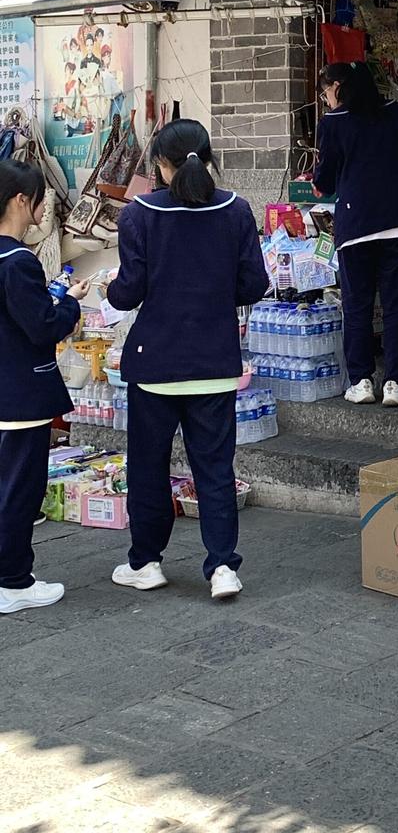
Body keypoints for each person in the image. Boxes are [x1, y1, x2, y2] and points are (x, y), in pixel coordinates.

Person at [106, 119, 269, 600]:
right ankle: (223, 568)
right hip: (214, 365)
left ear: (161, 164)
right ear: (207, 157)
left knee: (148, 468)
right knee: (214, 469)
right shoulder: (236, 210)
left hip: (154, 365)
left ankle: (147, 562)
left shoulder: (139, 214)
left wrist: (110, 289)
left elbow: (127, 291)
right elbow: (254, 285)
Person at [312, 61, 398, 407]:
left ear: (337, 86)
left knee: (357, 305)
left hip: (358, 224)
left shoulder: (334, 122)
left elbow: (324, 179)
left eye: (326, 92)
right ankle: (395, 383)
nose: (326, 99)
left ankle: (361, 381)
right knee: (396, 305)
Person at [0, 160, 87, 614]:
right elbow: (41, 327)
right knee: (20, 489)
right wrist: (69, 304)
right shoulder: (18, 261)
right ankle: (13, 580)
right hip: (19, 392)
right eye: (38, 200)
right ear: (20, 200)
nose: (41, 210)